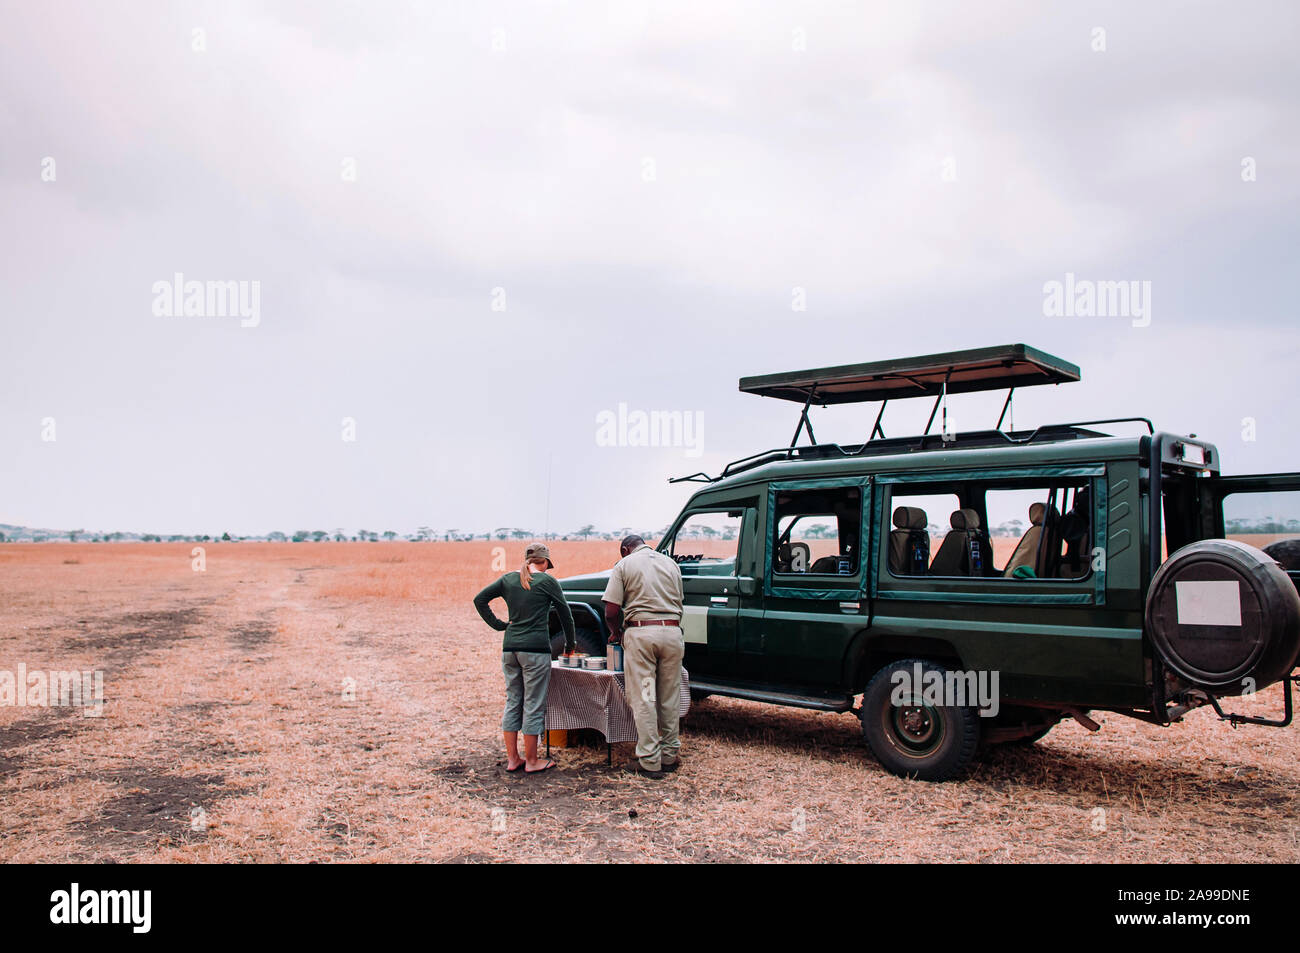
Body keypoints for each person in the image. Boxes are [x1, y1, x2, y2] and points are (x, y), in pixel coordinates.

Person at [473, 543, 575, 774]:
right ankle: (531, 761)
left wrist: (500, 626)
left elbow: (479, 600)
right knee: (533, 704)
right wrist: (570, 645)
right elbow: (565, 615)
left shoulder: (508, 579)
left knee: (513, 701)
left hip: (510, 649)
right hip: (536, 650)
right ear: (546, 562)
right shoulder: (548, 582)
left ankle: (513, 759)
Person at [602, 534, 685, 778]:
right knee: (669, 696)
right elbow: (680, 601)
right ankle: (670, 754)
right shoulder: (671, 564)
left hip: (642, 636)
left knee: (645, 696)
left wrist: (616, 632)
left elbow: (611, 610)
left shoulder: (625, 565)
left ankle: (649, 759)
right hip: (672, 633)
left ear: (626, 549)